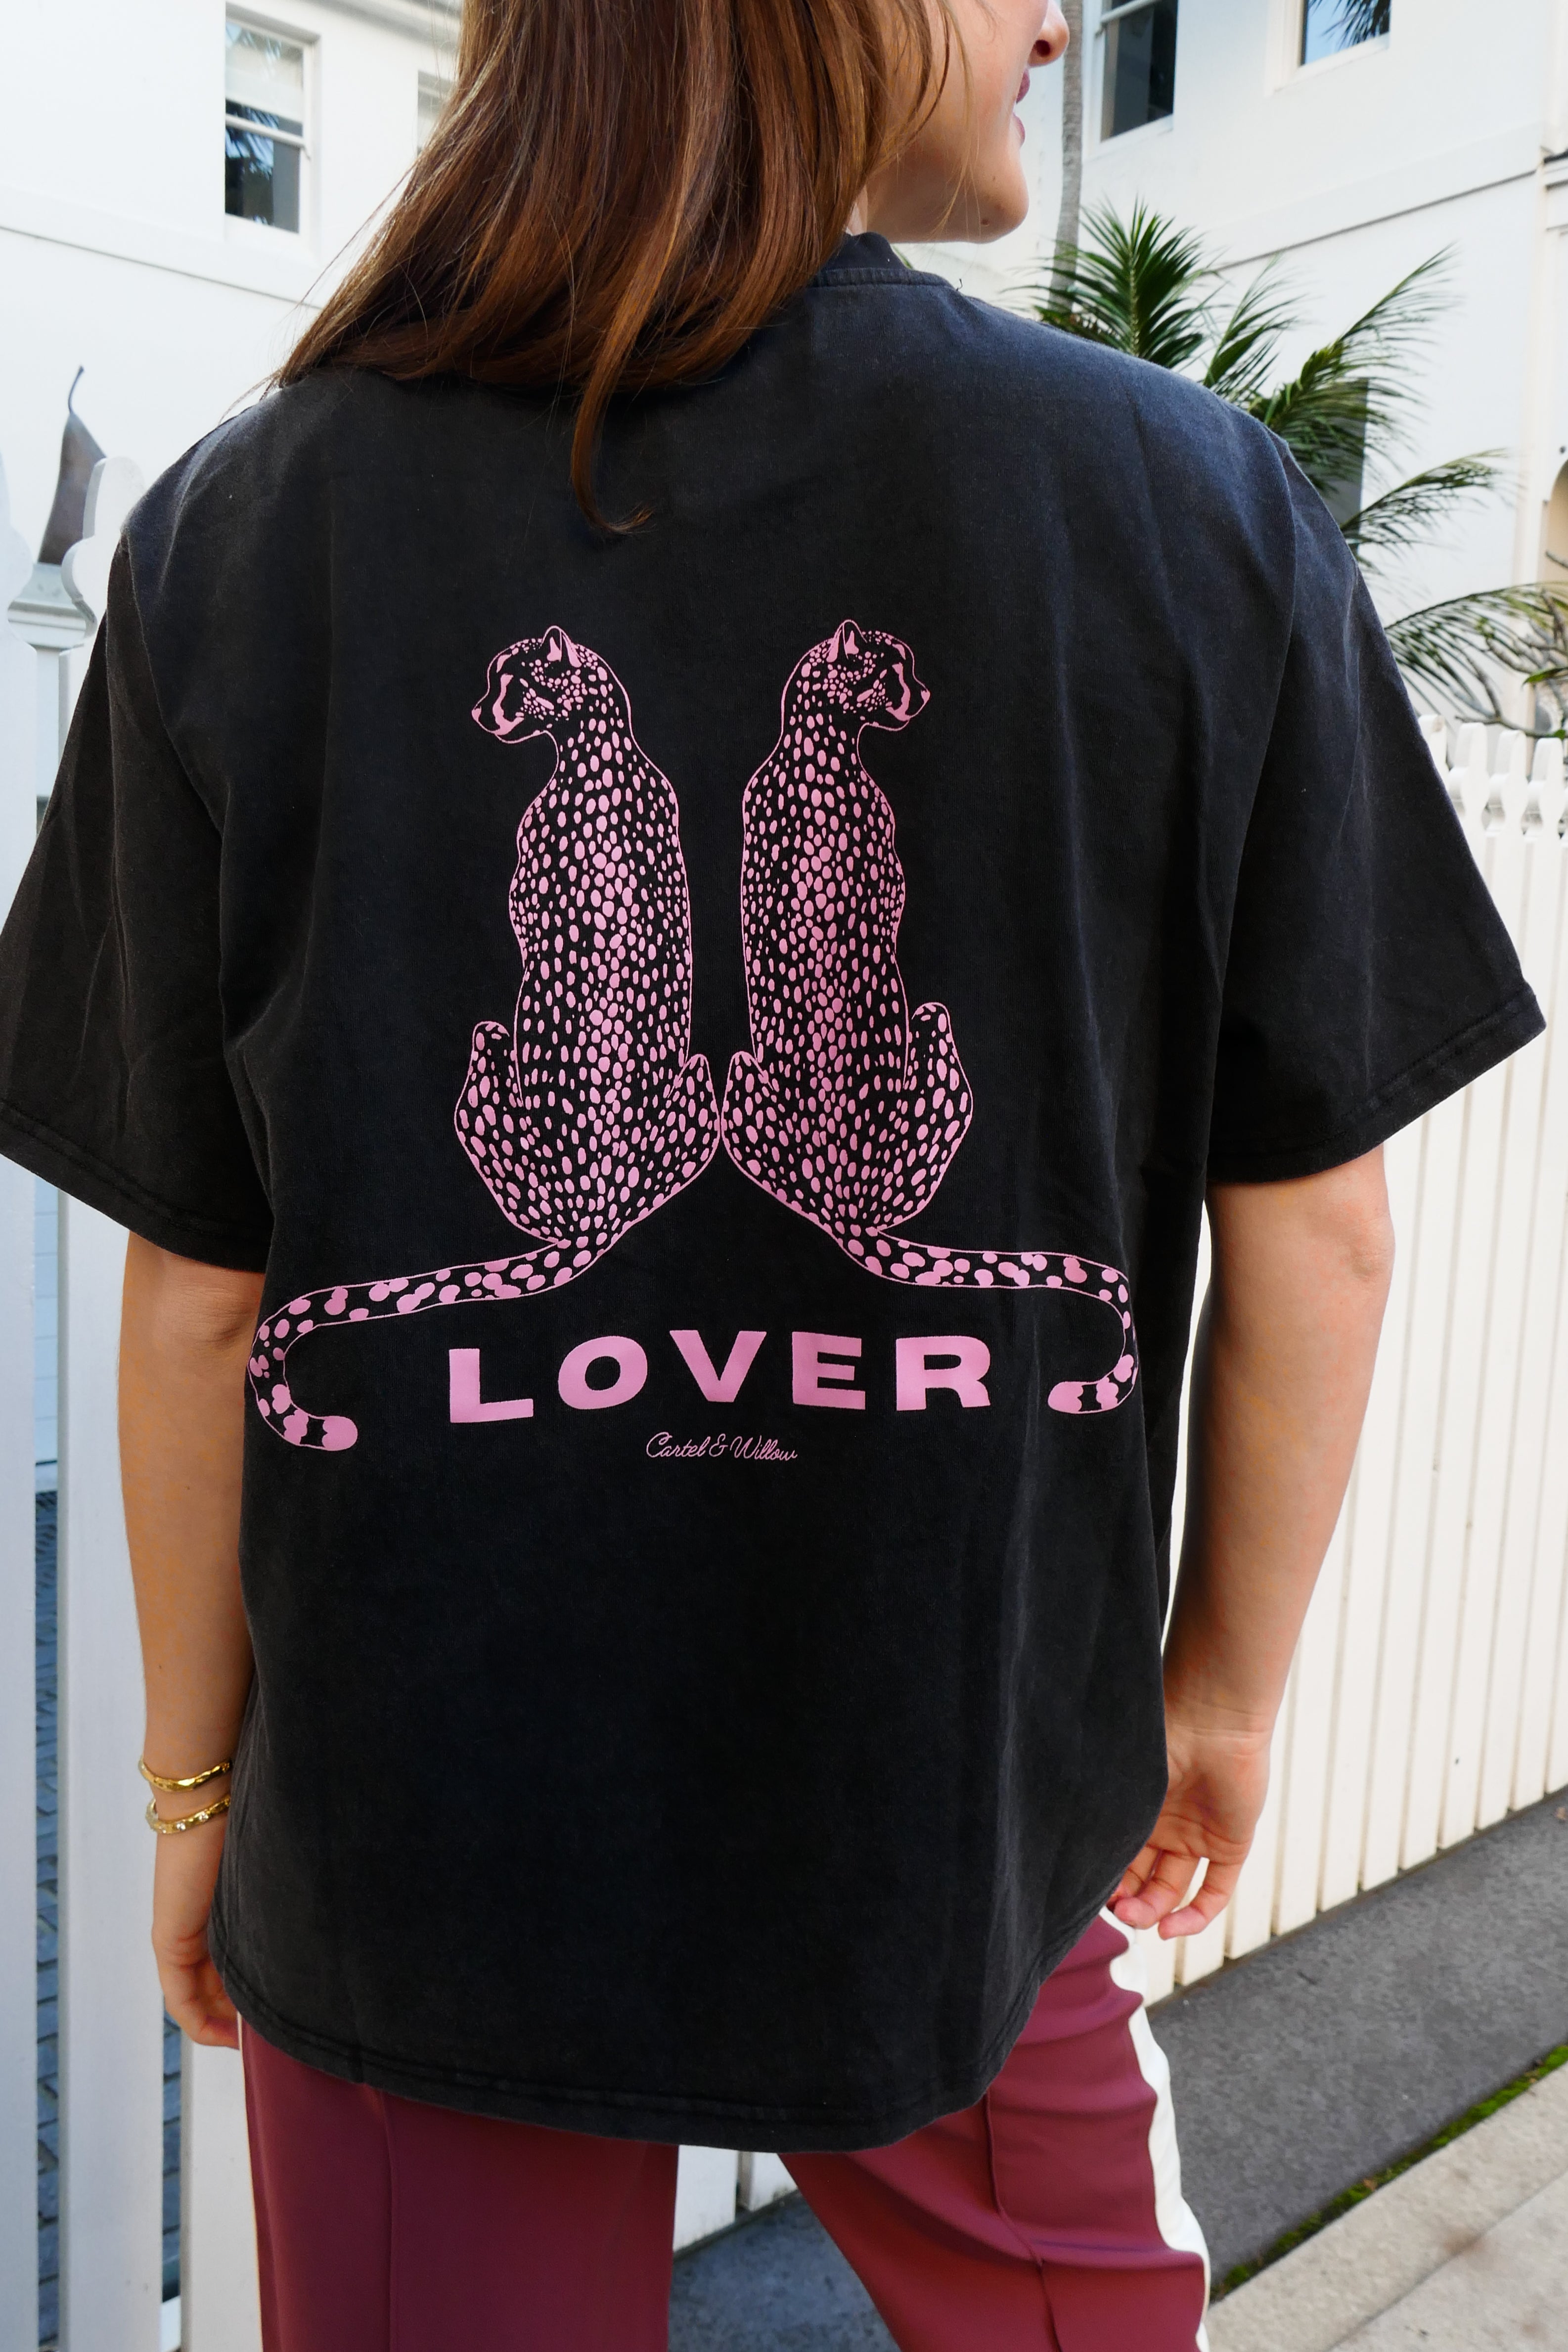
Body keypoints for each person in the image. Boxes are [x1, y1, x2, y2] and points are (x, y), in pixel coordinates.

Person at [0, 1, 1541, 2345]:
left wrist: (196, 1785)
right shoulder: (1185, 504)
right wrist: (1217, 1699)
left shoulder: (245, 526)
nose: (1055, 21)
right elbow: (1313, 1221)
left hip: (418, 1851)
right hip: (961, 1815)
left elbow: (205, 1290)